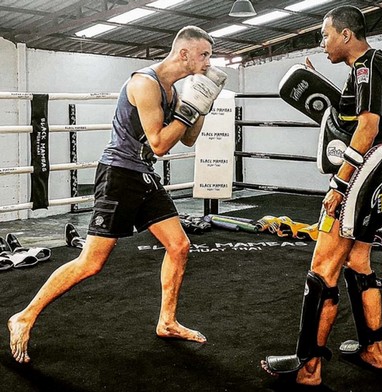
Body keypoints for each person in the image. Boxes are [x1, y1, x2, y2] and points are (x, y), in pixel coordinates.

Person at [8, 25, 227, 364]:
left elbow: (187, 139)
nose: (208, 62)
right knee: (91, 262)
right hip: (119, 175)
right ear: (184, 54)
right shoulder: (145, 83)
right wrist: (189, 110)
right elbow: (159, 143)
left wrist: (203, 104)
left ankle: (167, 321)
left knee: (179, 245)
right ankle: (24, 315)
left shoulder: (173, 91)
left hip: (142, 175)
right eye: (205, 55)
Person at [261, 5, 382, 386]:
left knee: (321, 272)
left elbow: (367, 127)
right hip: (378, 182)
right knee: (358, 264)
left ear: (345, 35)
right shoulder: (372, 68)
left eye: (324, 35)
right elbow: (356, 113)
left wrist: (338, 185)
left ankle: (309, 368)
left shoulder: (366, 66)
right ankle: (374, 350)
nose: (321, 42)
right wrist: (318, 81)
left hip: (357, 180)